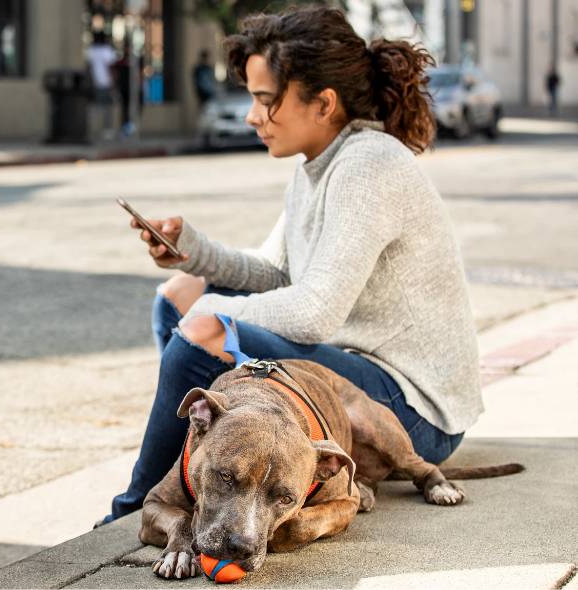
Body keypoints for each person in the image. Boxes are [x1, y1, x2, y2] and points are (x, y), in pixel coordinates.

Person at [100, 6, 482, 524]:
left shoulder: (369, 166)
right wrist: (192, 252)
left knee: (204, 327)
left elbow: (312, 313)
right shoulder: (317, 167)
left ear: (323, 103)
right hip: (350, 370)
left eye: (266, 101)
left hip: (410, 408)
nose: (252, 116)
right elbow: (276, 273)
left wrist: (212, 319)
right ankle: (210, 459)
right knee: (179, 296)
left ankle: (135, 508)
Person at [86, 31, 117, 138]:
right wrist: (113, 81)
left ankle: (89, 128)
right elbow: (111, 67)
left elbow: (89, 67)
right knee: (107, 107)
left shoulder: (91, 50)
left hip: (95, 82)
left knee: (95, 105)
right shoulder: (106, 50)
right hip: (106, 82)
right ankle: (107, 130)